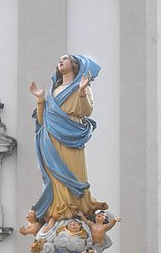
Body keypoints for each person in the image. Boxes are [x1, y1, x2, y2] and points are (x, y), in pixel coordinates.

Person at [28, 53, 107, 226]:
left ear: (74, 65)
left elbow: (86, 112)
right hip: (52, 139)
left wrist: (81, 91)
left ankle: (76, 212)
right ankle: (59, 211)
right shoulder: (52, 91)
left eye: (65, 59)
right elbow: (42, 121)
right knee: (55, 175)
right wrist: (40, 100)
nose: (60, 61)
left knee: (73, 174)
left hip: (72, 136)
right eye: (59, 60)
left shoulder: (82, 87)